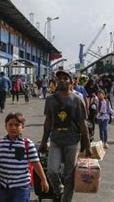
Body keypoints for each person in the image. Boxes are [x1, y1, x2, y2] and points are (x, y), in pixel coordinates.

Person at [39, 70, 91, 202]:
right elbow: (48, 121)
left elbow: (82, 123)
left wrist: (87, 145)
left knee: (69, 175)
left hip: (72, 142)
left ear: (71, 81)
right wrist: (44, 141)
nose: (61, 80)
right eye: (59, 78)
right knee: (52, 171)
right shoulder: (50, 99)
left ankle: (66, 200)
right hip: (55, 140)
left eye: (65, 78)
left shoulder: (77, 100)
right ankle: (58, 189)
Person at [0, 112, 49, 202]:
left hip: (21, 187)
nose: (13, 127)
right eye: (10, 125)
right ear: (5, 127)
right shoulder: (1, 143)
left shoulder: (27, 144)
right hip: (2, 186)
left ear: (22, 127)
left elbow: (36, 163)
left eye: (17, 125)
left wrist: (43, 180)